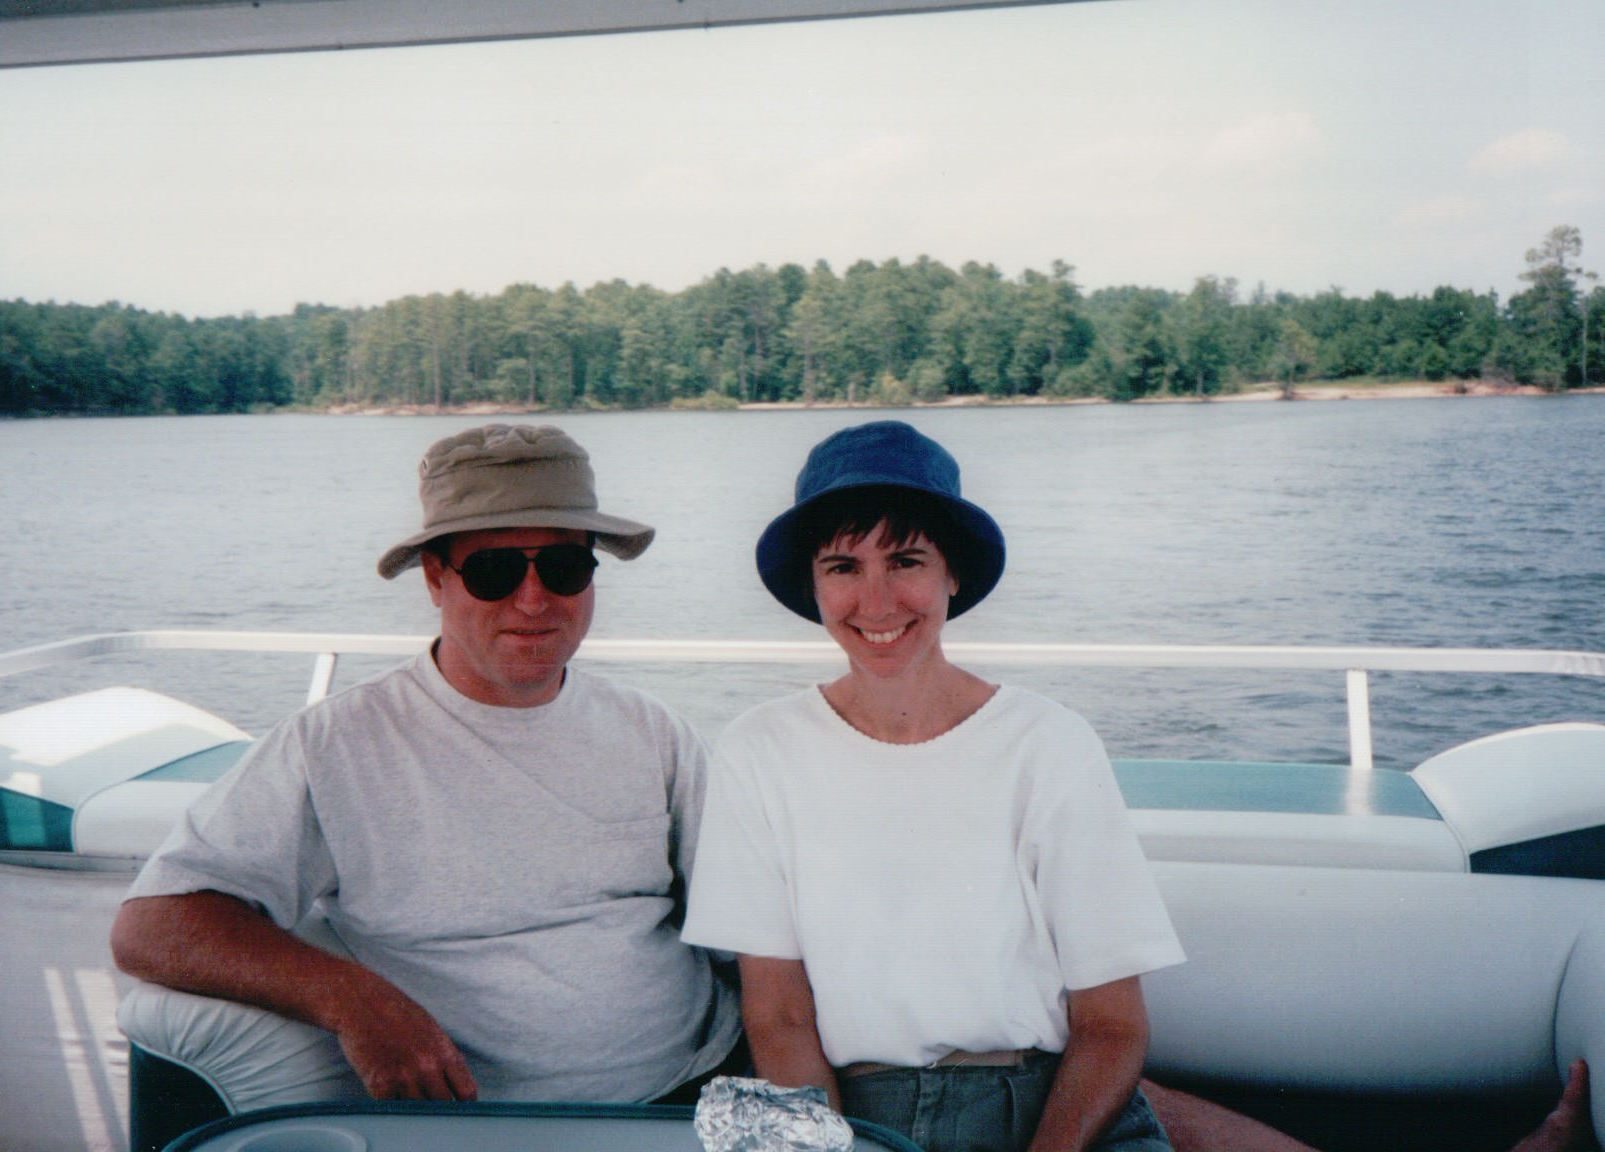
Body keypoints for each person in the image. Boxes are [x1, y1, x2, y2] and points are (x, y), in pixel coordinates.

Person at [110, 423, 742, 1104]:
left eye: (564, 567)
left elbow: (745, 930)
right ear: (436, 579)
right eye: (495, 570)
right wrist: (354, 1001)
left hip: (695, 1087)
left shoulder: (653, 732)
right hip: (472, 1125)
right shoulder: (334, 744)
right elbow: (153, 927)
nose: (534, 599)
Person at [682, 420, 1185, 1152]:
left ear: (953, 573)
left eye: (906, 561)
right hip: (856, 1120)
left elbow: (1112, 1025)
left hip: (1054, 1112)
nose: (877, 601)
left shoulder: (1050, 743)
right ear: (814, 587)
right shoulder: (757, 750)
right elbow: (779, 1019)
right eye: (843, 567)